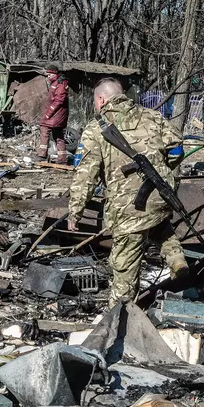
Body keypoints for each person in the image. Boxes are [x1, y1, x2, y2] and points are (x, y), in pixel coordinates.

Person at [67, 78, 189, 307]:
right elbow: (177, 150)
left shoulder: (97, 128)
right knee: (159, 227)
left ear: (101, 99)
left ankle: (121, 316)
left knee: (124, 265)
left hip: (128, 207)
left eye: (95, 101)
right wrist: (162, 170)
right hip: (160, 196)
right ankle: (177, 259)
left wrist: (76, 212)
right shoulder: (153, 116)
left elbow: (85, 176)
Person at [37, 62, 69, 164]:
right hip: (59, 115)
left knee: (44, 128)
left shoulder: (59, 84)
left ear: (55, 73)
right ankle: (62, 159)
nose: (48, 76)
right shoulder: (58, 83)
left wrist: (48, 114)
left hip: (56, 115)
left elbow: (58, 101)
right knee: (58, 136)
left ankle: (42, 155)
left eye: (50, 74)